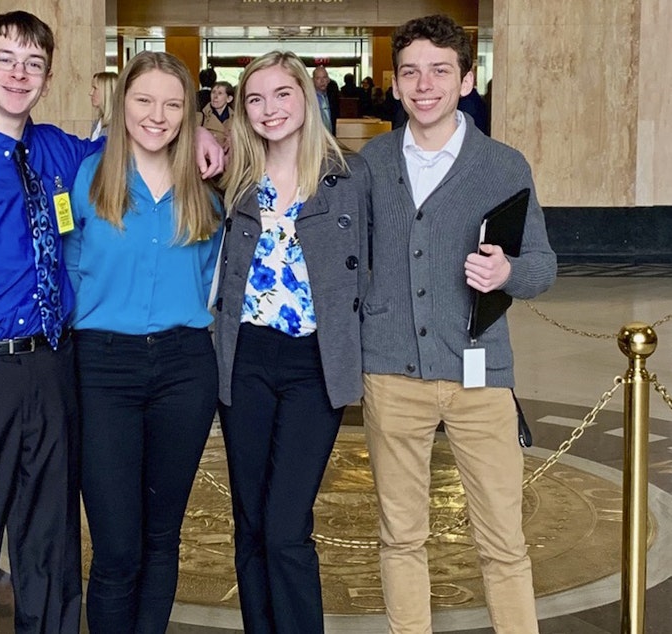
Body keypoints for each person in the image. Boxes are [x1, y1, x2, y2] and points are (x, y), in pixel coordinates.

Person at [0, 11, 224, 633]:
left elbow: (139, 141)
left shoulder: (58, 151)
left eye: (33, 64)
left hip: (52, 368)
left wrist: (206, 134)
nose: (18, 74)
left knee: (49, 546)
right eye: (5, 60)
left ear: (47, 78)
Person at [359, 14, 556, 634]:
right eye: (411, 72)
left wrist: (507, 275)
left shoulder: (502, 165)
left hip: (481, 378)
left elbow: (544, 265)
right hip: (391, 373)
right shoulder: (370, 163)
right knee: (401, 537)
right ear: (393, 83)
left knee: (503, 539)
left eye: (441, 70)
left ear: (467, 79)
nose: (425, 85)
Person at [64, 51, 222, 632]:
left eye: (173, 104)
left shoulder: (206, 186)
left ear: (190, 113)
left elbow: (210, 275)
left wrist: (210, 134)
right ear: (120, 103)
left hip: (185, 367)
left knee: (162, 537)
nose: (157, 115)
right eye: (144, 100)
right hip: (103, 367)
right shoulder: (89, 176)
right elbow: (70, 262)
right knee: (116, 548)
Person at [213, 50, 370, 632]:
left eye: (282, 94)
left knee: (285, 525)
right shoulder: (234, 180)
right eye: (255, 98)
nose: (268, 109)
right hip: (246, 358)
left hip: (314, 363)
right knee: (250, 522)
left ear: (306, 97)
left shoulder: (350, 178)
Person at [198, 79, 234, 152]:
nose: (215, 96)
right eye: (213, 92)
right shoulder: (200, 117)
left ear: (229, 99)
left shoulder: (237, 119)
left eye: (220, 93)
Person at [89, 70, 118, 140]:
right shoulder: (97, 124)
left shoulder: (117, 126)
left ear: (106, 91)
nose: (90, 93)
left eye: (95, 88)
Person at [312, 65, 337, 135]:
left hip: (331, 138)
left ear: (328, 80)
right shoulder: (309, 99)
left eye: (324, 77)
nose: (322, 81)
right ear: (313, 80)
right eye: (318, 78)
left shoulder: (333, 98)